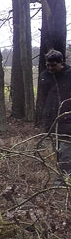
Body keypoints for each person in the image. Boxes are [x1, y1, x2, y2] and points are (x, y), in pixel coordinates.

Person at [38, 49, 71, 183]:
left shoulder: (70, 74)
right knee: (58, 150)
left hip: (68, 119)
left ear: (61, 63)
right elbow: (43, 98)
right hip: (52, 118)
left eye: (53, 65)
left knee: (65, 149)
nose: (50, 68)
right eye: (48, 65)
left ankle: (65, 179)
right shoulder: (44, 76)